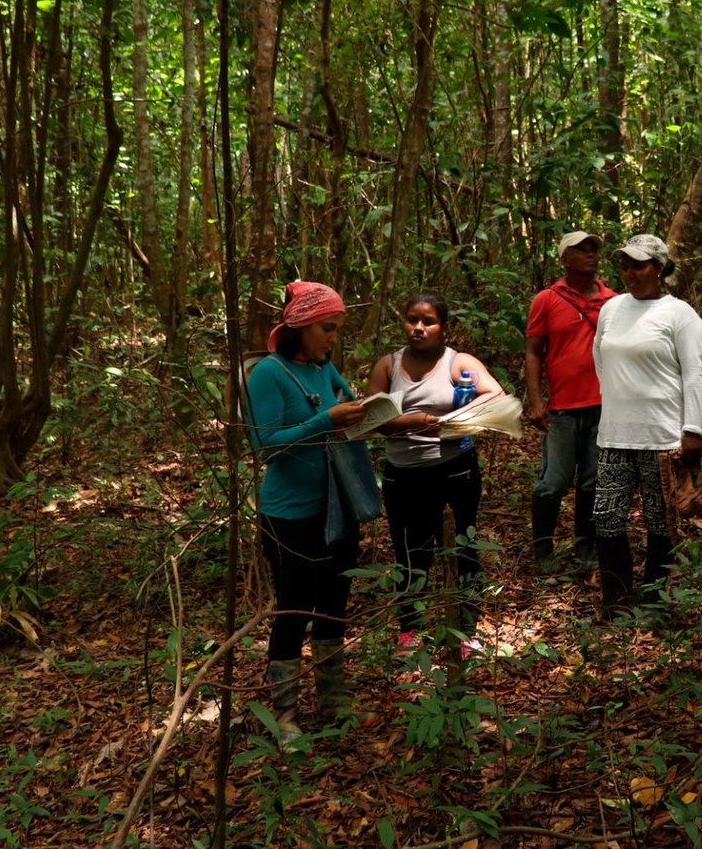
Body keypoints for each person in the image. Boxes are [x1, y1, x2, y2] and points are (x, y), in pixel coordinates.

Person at [245, 281, 371, 742]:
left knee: (334, 606)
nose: (333, 338)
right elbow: (266, 447)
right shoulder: (268, 374)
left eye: (336, 329)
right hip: (289, 517)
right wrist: (325, 420)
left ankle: (335, 703)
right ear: (300, 326)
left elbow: (349, 406)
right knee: (294, 609)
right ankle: (285, 715)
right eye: (327, 328)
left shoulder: (324, 368)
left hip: (336, 507)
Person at [364, 293, 505, 650]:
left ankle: (465, 629)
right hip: (403, 475)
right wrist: (407, 423)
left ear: (444, 328)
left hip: (454, 471)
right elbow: (370, 417)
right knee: (410, 553)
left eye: (428, 322)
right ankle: (410, 629)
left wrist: (450, 419)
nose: (418, 328)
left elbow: (496, 395)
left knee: (462, 548)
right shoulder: (388, 365)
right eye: (412, 320)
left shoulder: (458, 363)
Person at [591, 234, 702, 618]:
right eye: (624, 265)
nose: (629, 273)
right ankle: (617, 601)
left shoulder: (681, 314)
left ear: (659, 268)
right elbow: (600, 361)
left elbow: (693, 374)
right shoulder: (611, 309)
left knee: (660, 521)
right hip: (614, 434)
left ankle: (655, 601)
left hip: (662, 436)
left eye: (638, 265)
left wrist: (692, 430)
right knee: (607, 517)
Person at [523, 230, 618, 574]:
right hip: (562, 410)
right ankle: (543, 551)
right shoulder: (547, 300)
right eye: (581, 250)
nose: (591, 254)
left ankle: (585, 549)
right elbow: (534, 352)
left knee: (593, 481)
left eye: (594, 248)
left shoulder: (614, 301)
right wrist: (536, 402)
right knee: (553, 482)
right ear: (565, 259)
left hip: (604, 407)